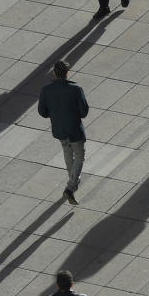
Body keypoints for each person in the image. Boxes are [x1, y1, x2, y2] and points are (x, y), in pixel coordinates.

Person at [38, 60, 89, 205]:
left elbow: (42, 112)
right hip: (74, 128)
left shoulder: (46, 90)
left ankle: (73, 179)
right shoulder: (76, 89)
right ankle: (70, 187)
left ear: (54, 72)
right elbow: (84, 112)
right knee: (79, 156)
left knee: (67, 152)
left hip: (59, 128)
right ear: (67, 73)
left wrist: (55, 114)